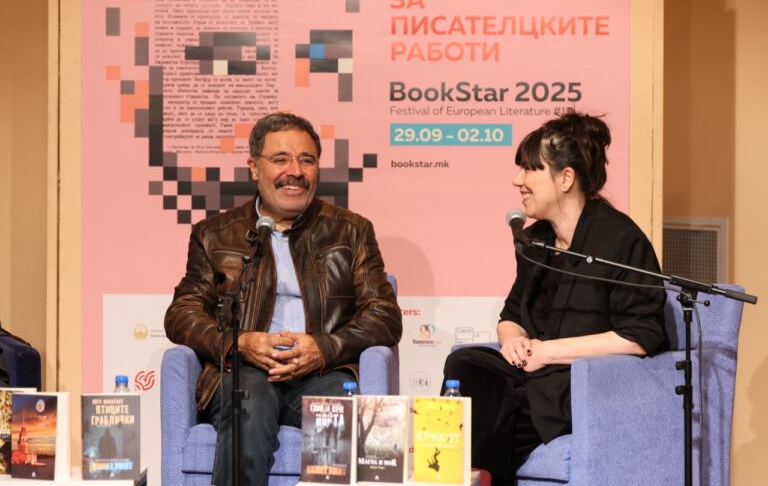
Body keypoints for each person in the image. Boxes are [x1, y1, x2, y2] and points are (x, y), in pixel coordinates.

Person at [165, 112, 402, 486]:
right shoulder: (214, 234)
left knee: (341, 403)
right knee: (248, 395)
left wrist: (322, 348)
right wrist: (241, 343)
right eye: (280, 159)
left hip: (323, 374)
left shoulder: (351, 231)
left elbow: (385, 315)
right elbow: (183, 313)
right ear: (254, 167)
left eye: (306, 160)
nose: (295, 172)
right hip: (244, 372)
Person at [442, 111, 669, 484]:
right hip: (529, 377)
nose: (518, 180)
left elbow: (641, 336)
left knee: (489, 415)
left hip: (578, 384)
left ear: (565, 178)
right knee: (465, 364)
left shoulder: (620, 240)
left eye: (530, 169)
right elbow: (511, 315)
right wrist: (512, 339)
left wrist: (547, 351)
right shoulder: (536, 241)